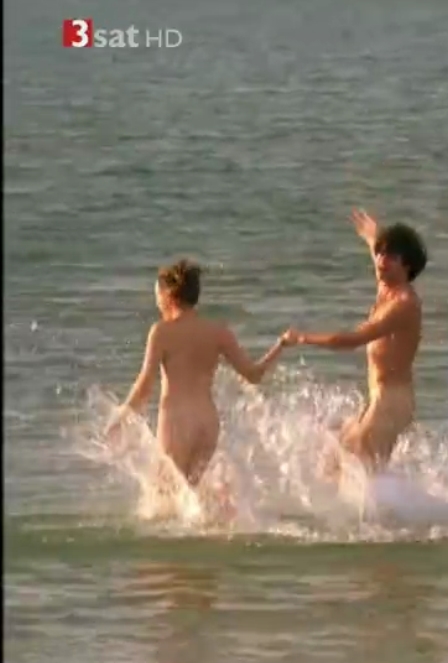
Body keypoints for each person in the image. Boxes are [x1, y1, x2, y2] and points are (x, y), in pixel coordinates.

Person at [105, 259, 290, 488]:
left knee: (165, 493)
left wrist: (122, 416)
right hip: (208, 423)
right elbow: (253, 375)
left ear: (169, 296)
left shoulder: (161, 332)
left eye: (157, 296)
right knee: (190, 494)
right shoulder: (219, 332)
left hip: (178, 422)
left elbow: (145, 385)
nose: (157, 303)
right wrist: (280, 345)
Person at [281, 209, 426, 478]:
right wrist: (373, 236)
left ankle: (391, 506)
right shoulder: (387, 285)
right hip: (378, 399)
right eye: (381, 254)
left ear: (407, 265)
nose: (381, 261)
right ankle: (332, 505)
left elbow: (351, 340)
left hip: (392, 403)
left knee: (365, 472)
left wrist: (302, 337)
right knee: (336, 452)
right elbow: (376, 250)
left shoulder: (403, 304)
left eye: (391, 257)